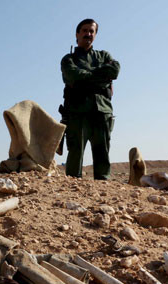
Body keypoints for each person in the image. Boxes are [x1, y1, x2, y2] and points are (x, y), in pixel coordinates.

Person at [60, 19, 120, 180]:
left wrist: (84, 77)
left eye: (92, 31)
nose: (88, 34)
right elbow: (72, 75)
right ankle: (73, 190)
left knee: (103, 153)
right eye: (85, 30)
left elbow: (114, 70)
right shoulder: (68, 59)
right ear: (77, 34)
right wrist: (99, 76)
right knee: (75, 154)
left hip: (102, 111)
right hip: (77, 112)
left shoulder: (104, 55)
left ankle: (102, 190)